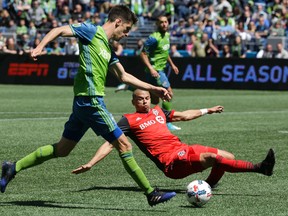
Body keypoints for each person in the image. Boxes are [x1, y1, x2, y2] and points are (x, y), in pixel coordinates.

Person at [0, 5, 176, 207]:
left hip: (83, 104)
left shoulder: (108, 48)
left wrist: (154, 88)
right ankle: (151, 193)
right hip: (91, 100)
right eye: (126, 29)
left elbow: (124, 76)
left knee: (63, 149)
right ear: (118, 22)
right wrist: (40, 46)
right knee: (124, 145)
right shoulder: (91, 31)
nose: (126, 34)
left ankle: (13, 167)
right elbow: (59, 30)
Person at [72, 89, 275, 188]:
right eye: (140, 99)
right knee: (215, 159)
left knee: (227, 156)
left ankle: (207, 186)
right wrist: (91, 163)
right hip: (171, 162)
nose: (144, 101)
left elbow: (184, 115)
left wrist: (208, 110)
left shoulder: (159, 112)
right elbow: (110, 143)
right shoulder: (128, 120)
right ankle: (260, 168)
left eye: (147, 98)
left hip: (182, 149)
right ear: (133, 101)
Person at [116, 15, 180, 131]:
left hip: (160, 69)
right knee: (169, 93)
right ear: (157, 24)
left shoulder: (167, 35)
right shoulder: (153, 38)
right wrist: (151, 69)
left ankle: (130, 86)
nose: (164, 24)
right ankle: (168, 123)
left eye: (166, 22)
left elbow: (165, 52)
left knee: (155, 99)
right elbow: (143, 54)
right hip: (156, 70)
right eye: (161, 22)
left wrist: (172, 64)